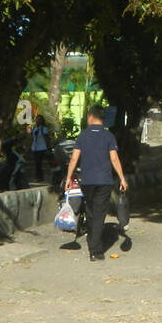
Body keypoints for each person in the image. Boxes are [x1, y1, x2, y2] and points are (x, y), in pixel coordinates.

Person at [64, 106, 129, 262]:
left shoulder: (82, 136)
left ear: (91, 117)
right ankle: (95, 250)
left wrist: (68, 177)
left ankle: (93, 241)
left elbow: (74, 159)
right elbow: (114, 159)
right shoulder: (109, 136)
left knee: (91, 210)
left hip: (86, 181)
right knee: (99, 213)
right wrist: (122, 178)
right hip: (104, 181)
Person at [30, 116, 52, 182]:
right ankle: (39, 177)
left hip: (42, 147)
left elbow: (46, 138)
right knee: (37, 163)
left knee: (38, 163)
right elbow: (32, 138)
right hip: (35, 148)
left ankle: (39, 177)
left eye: (39, 120)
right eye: (37, 120)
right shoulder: (34, 128)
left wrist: (48, 147)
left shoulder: (44, 129)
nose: (37, 121)